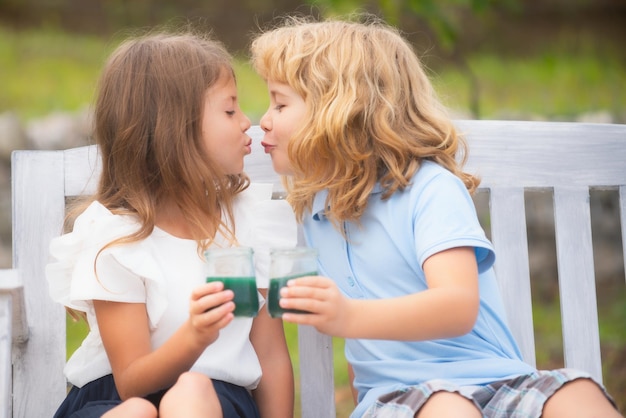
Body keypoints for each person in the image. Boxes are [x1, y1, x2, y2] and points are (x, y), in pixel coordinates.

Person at [250, 16, 622, 418]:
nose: (264, 120)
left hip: (499, 384)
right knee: (447, 408)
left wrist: (348, 316)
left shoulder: (429, 189)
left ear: (340, 111)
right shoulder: (312, 207)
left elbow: (457, 305)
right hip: (398, 398)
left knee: (577, 395)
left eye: (281, 103)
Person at [46, 29, 296, 418]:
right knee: (137, 414)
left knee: (192, 392)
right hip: (116, 398)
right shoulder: (117, 241)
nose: (247, 122)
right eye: (230, 111)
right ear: (175, 132)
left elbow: (272, 357)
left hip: (215, 402)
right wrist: (194, 337)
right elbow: (131, 381)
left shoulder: (247, 223)